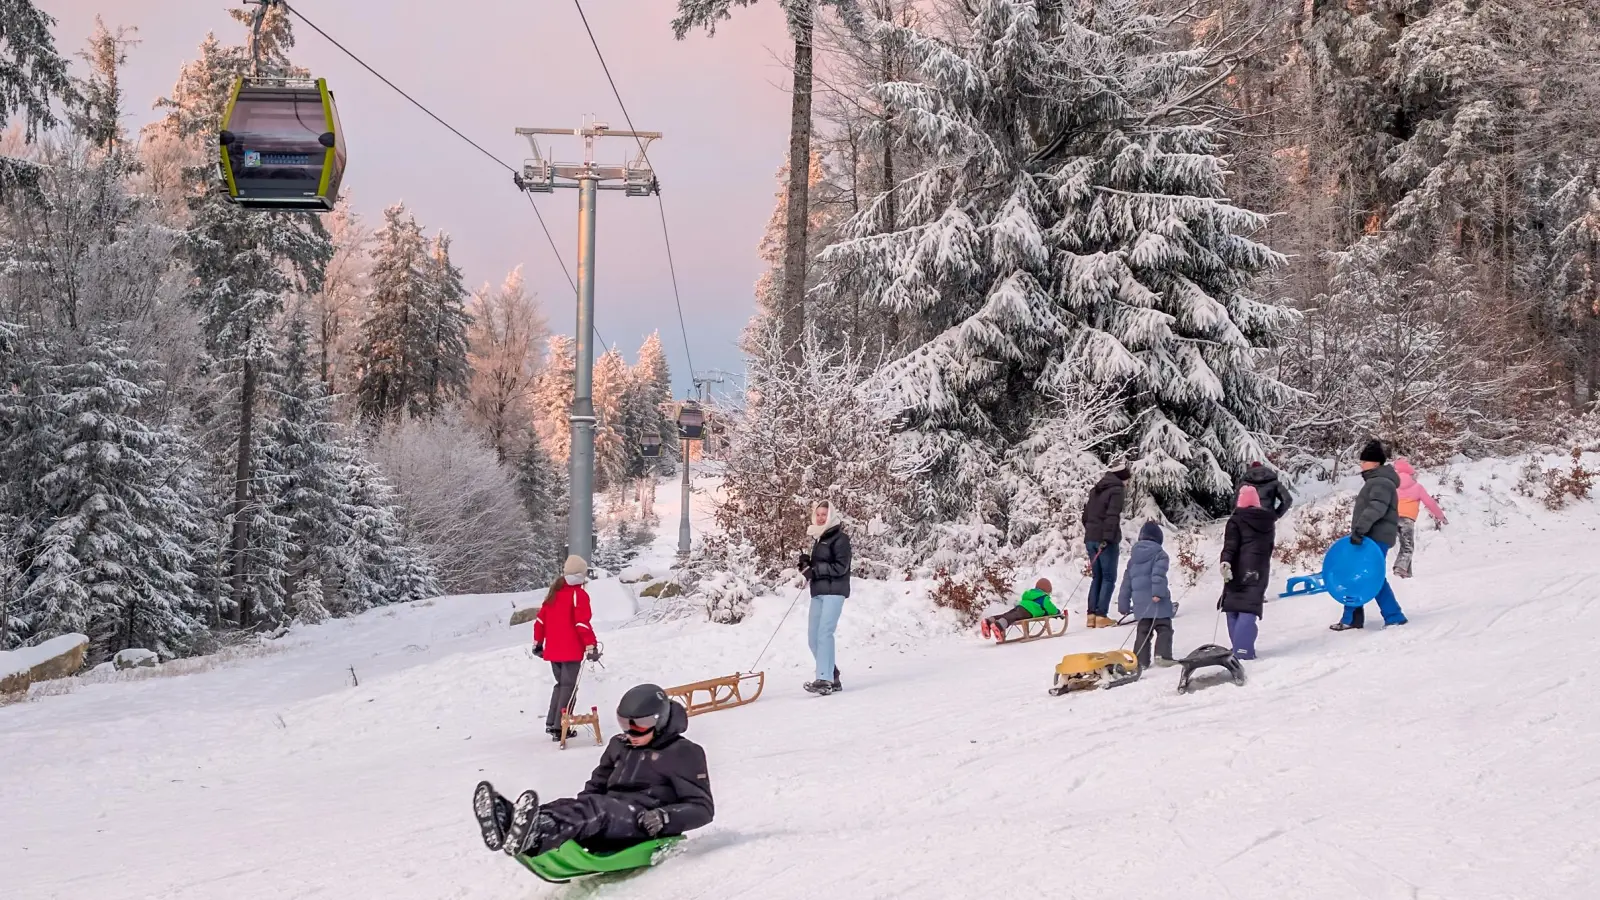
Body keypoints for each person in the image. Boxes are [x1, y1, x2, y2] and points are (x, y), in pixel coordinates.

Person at [474, 684, 715, 858]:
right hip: (607, 816)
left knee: (598, 809)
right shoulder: (619, 745)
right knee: (569, 805)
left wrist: (665, 817)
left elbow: (702, 808)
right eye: (624, 724)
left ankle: (536, 832)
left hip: (643, 823)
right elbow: (596, 786)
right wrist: (577, 814)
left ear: (660, 721)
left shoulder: (683, 753)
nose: (631, 733)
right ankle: (510, 821)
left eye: (639, 726)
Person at [1331, 440, 1409, 631]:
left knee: (1370, 576)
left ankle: (1393, 616)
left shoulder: (1380, 482)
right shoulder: (1379, 481)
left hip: (1374, 536)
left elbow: (1377, 508)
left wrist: (1360, 529)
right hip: (1372, 536)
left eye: (1364, 461)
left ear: (1374, 463)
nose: (1361, 465)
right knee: (1361, 575)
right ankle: (1354, 618)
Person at [533, 555, 599, 740]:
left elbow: (540, 622)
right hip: (570, 651)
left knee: (561, 685)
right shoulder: (579, 595)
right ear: (580, 575)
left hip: (553, 651)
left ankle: (552, 723)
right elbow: (582, 624)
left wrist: (538, 643)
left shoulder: (554, 594)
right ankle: (560, 726)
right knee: (569, 688)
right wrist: (591, 646)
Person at [798, 499, 850, 695]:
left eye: (824, 515)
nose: (820, 518)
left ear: (831, 516)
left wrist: (816, 569)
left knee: (824, 634)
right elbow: (819, 567)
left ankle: (824, 679)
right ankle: (833, 676)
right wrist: (806, 564)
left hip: (834, 592)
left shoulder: (840, 538)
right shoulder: (819, 537)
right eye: (818, 514)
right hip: (819, 592)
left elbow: (840, 567)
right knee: (813, 638)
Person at [1218, 485, 1276, 660]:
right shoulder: (1268, 522)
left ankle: (1241, 650)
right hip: (1259, 570)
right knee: (1248, 608)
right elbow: (1268, 548)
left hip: (1237, 569)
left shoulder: (1235, 520)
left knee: (1233, 608)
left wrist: (1226, 562)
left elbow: (1230, 545)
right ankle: (1242, 646)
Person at [1118, 521, 1176, 668]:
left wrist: (1123, 604)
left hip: (1140, 605)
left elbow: (1126, 583)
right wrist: (1157, 592)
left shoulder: (1133, 560)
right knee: (1164, 628)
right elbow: (1158, 575)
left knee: (1143, 631)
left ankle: (1140, 661)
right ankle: (1163, 655)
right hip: (1158, 601)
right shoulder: (1160, 554)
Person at [1081, 458, 1131, 628]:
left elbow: (1085, 516)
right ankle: (1101, 616)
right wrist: (1107, 538)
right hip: (1105, 540)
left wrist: (1092, 533)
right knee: (1108, 577)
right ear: (1123, 477)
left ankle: (1091, 616)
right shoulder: (1116, 490)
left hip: (1090, 539)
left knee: (1097, 577)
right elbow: (1112, 516)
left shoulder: (1096, 489)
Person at [1392, 457, 1447, 578]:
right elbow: (1430, 503)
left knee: (1404, 544)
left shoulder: (1394, 486)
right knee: (1408, 546)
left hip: (1393, 518)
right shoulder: (1417, 487)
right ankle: (1400, 568)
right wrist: (1440, 516)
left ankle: (1406, 573)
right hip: (1407, 520)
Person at [981, 578, 1059, 639]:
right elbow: (1050, 608)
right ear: (1047, 590)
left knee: (1008, 614)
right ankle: (999, 626)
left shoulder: (1031, 594)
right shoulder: (1043, 597)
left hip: (1021, 606)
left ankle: (989, 621)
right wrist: (1057, 612)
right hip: (1029, 611)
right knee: (1013, 617)